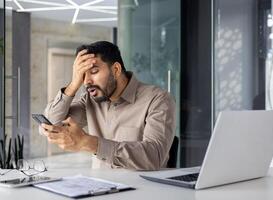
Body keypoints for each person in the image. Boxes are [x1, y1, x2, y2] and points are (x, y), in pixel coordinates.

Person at [40, 41, 176, 170]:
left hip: (142, 191)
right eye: (82, 75)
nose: (86, 81)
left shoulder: (158, 99)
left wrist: (88, 142)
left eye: (93, 72)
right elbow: (50, 125)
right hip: (98, 188)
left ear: (116, 69)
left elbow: (154, 156)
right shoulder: (89, 100)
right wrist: (73, 84)